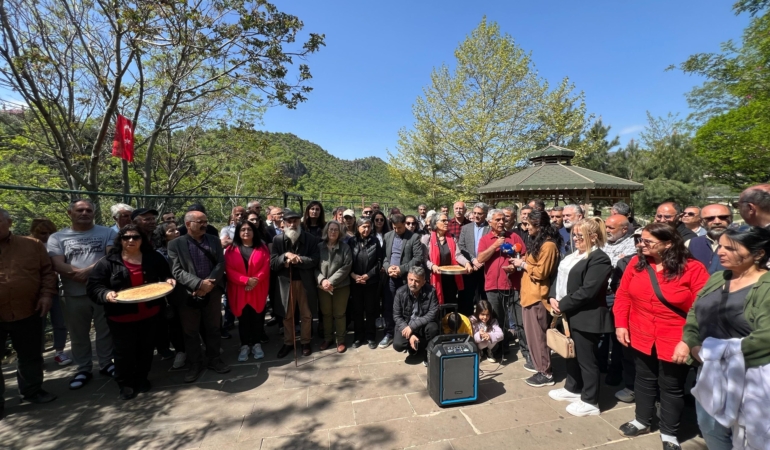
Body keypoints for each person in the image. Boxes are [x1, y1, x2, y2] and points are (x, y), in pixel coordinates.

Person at [613, 222, 709, 450]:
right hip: (640, 333)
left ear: (668, 244)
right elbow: (623, 295)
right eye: (640, 240)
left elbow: (702, 308)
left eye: (648, 241)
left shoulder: (693, 269)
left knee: (671, 386)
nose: (640, 245)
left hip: (676, 338)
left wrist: (688, 341)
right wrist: (621, 324)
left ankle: (669, 432)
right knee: (643, 378)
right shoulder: (636, 264)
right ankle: (642, 420)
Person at [680, 226, 770, 450]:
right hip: (710, 370)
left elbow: (766, 336)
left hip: (752, 376)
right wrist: (692, 343)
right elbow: (694, 312)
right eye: (720, 246)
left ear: (758, 253)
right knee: (710, 428)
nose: (720, 252)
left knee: (751, 436)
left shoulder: (766, 287)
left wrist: (721, 353)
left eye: (731, 248)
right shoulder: (718, 277)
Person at [86, 225, 175, 400]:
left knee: (146, 349)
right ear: (120, 240)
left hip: (150, 314)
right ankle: (125, 383)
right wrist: (105, 294)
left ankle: (142, 378)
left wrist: (168, 279)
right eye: (126, 237)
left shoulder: (153, 257)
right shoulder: (107, 262)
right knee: (123, 352)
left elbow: (166, 275)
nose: (131, 240)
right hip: (121, 317)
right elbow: (94, 287)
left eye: (136, 237)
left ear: (142, 239)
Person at [48, 199, 117, 390]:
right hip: (72, 293)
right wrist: (78, 273)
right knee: (78, 334)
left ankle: (106, 363)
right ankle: (83, 368)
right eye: (80, 210)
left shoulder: (107, 233)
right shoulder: (57, 237)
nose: (84, 213)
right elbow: (57, 263)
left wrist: (88, 272)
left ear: (94, 213)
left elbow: (110, 256)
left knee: (105, 331)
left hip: (101, 291)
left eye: (88, 210)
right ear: (70, 213)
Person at [547, 218, 613, 417]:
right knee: (571, 354)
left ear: (593, 237)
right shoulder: (573, 256)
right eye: (574, 235)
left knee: (586, 360)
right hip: (569, 313)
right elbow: (559, 278)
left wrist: (563, 304)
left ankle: (590, 400)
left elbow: (588, 291)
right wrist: (552, 297)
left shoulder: (599, 259)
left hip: (586, 316)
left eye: (580, 236)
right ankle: (572, 388)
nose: (575, 239)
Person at [0, 208, 58, 415]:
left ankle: (32, 391)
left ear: (9, 222)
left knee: (31, 355)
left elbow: (47, 272)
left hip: (28, 309)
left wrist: (46, 295)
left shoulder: (31, 245)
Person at [168, 210, 230, 383]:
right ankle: (195, 363)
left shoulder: (214, 240)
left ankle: (214, 359)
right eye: (200, 222)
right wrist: (198, 284)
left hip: (212, 291)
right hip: (188, 294)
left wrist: (209, 285)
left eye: (205, 221)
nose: (204, 225)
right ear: (188, 224)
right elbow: (176, 271)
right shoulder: (175, 244)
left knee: (213, 327)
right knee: (190, 331)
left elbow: (220, 263)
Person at [510, 209, 561, 386]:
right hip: (528, 295)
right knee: (533, 337)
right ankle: (540, 367)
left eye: (528, 225)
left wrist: (522, 264)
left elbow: (541, 272)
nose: (526, 228)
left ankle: (545, 373)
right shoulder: (538, 242)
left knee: (538, 337)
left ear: (539, 226)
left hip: (537, 297)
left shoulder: (549, 246)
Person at [477, 209, 527, 362]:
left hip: (513, 285)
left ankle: (527, 352)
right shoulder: (485, 239)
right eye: (497, 220)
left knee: (520, 321)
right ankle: (499, 350)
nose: (501, 222)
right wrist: (495, 246)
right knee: (497, 320)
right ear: (489, 222)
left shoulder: (514, 236)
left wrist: (515, 266)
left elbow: (525, 255)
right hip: (493, 286)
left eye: (503, 219)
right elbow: (480, 258)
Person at [270, 209, 320, 358]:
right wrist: (285, 256)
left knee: (306, 314)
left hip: (305, 282)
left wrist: (298, 259)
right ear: (284, 223)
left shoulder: (310, 239)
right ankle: (289, 342)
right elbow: (273, 263)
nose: (292, 224)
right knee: (287, 315)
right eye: (289, 221)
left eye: (295, 221)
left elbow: (315, 260)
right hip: (286, 283)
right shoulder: (277, 240)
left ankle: (305, 342)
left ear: (300, 222)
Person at [599, 215, 637, 384]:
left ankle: (616, 372)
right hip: (600, 294)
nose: (607, 230)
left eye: (611, 228)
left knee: (617, 337)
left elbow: (620, 266)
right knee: (601, 334)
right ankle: (600, 365)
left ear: (624, 229)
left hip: (617, 296)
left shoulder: (632, 245)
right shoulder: (603, 242)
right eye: (606, 227)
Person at [224, 221, 270, 362]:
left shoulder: (262, 248)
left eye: (249, 229)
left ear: (254, 232)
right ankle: (244, 345)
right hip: (239, 289)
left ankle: (256, 344)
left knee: (257, 317)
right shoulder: (231, 250)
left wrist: (255, 280)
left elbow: (266, 266)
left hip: (257, 288)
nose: (246, 232)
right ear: (238, 232)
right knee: (243, 319)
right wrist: (246, 280)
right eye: (242, 229)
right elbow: (229, 270)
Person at [29, 218, 71, 366]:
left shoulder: (57, 244)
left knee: (60, 321)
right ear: (34, 232)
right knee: (36, 325)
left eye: (50, 233)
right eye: (42, 233)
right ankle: (37, 355)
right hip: (35, 291)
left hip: (57, 288)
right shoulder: (28, 245)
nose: (47, 236)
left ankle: (59, 352)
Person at [380, 214, 424, 349]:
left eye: (399, 227)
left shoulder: (413, 237)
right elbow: (384, 257)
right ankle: (389, 333)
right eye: (394, 227)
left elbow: (418, 258)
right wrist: (388, 268)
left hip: (406, 278)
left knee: (406, 307)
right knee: (389, 306)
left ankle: (406, 334)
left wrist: (401, 269)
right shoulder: (388, 236)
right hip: (390, 277)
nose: (397, 230)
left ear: (404, 224)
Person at [152, 221, 186, 370]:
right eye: (171, 231)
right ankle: (181, 352)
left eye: (176, 229)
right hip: (170, 295)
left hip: (188, 289)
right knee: (175, 324)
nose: (176, 232)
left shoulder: (185, 246)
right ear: (163, 235)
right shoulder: (158, 254)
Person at [315, 221, 353, 353]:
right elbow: (314, 267)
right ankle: (328, 338)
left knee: (339, 314)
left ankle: (340, 340)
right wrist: (322, 280)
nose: (333, 232)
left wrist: (330, 281)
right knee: (326, 314)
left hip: (341, 286)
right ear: (326, 231)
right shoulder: (319, 247)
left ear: (340, 232)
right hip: (323, 287)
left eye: (336, 230)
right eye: (331, 229)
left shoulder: (345, 247)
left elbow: (347, 267)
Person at [392, 267, 439, 365]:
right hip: (407, 324)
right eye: (411, 279)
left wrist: (412, 327)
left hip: (422, 325)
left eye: (417, 281)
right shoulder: (400, 292)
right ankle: (412, 346)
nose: (413, 283)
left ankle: (428, 352)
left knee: (433, 328)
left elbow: (432, 313)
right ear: (407, 278)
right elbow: (397, 316)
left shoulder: (431, 291)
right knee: (398, 344)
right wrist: (410, 334)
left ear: (423, 282)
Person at [349, 217, 383, 349]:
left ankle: (370, 336)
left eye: (368, 226)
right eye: (363, 226)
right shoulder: (352, 241)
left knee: (370, 310)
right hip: (355, 281)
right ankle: (358, 336)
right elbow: (347, 261)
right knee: (357, 310)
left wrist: (368, 275)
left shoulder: (375, 241)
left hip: (371, 282)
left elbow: (379, 261)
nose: (366, 229)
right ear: (358, 227)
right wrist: (353, 275)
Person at [421, 213, 464, 306]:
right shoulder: (427, 239)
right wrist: (432, 266)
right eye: (443, 221)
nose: (447, 223)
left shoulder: (452, 238)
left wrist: (467, 263)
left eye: (447, 220)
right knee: (435, 304)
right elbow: (424, 259)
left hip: (450, 277)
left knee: (450, 302)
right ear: (435, 223)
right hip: (434, 276)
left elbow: (458, 255)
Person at [455, 202, 490, 316]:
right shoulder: (466, 228)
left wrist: (481, 262)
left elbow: (491, 248)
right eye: (474, 213)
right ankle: (465, 320)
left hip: (485, 269)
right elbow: (461, 246)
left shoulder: (490, 228)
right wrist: (473, 260)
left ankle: (483, 320)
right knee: (466, 297)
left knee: (483, 297)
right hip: (469, 268)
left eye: (479, 213)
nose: (476, 216)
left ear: (485, 214)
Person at [686, 204, 733, 274]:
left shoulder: (742, 243)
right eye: (710, 218)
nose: (717, 222)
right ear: (701, 222)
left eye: (723, 217)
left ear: (731, 219)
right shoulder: (690, 244)